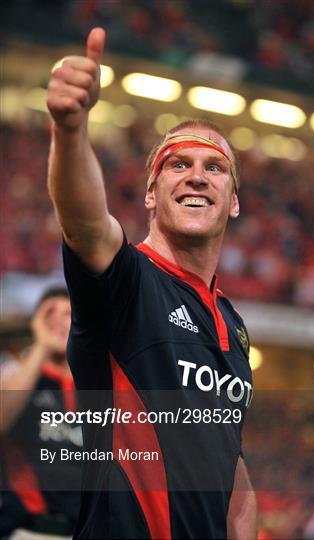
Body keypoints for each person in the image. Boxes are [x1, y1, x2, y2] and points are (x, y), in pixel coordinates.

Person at [47, 26, 257, 540]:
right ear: (150, 194)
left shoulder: (234, 325)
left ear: (232, 200)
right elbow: (85, 223)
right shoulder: (128, 281)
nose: (196, 176)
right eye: (177, 165)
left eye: (214, 168)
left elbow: (235, 481)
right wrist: (70, 131)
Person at [0, 288, 81, 539]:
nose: (57, 321)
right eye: (48, 314)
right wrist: (42, 346)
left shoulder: (98, 380)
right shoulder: (15, 375)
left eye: (67, 313)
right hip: (30, 530)